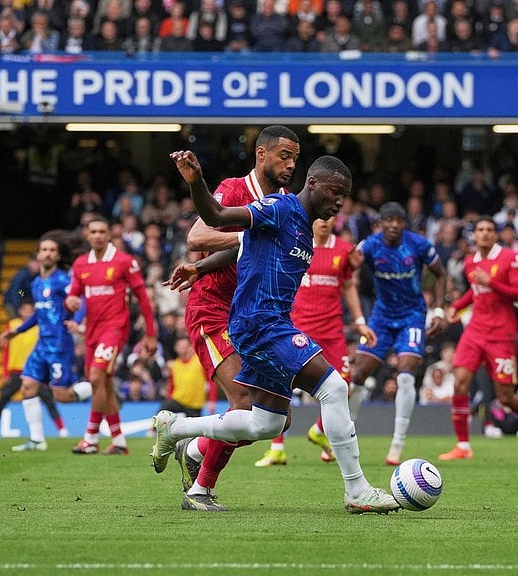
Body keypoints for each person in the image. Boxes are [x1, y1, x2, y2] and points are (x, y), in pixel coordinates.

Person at [153, 151, 400, 515]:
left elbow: (243, 249)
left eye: (344, 196)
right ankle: (357, 489)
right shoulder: (279, 209)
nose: (339, 202)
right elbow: (217, 217)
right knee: (334, 388)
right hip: (260, 324)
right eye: (335, 192)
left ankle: (175, 428)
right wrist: (196, 182)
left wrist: (201, 266)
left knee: (266, 423)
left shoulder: (302, 228)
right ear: (313, 183)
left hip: (265, 325)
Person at [167, 124, 300, 511]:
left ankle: (194, 446)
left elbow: (237, 252)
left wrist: (203, 265)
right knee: (243, 404)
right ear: (262, 154)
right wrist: (252, 236)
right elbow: (197, 236)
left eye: (295, 157)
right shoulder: (233, 189)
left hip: (252, 318)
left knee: (279, 418)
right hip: (213, 311)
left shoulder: (286, 202)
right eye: (284, 156)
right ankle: (200, 491)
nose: (291, 164)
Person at [255, 216, 376, 467]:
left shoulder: (344, 249)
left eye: (330, 216)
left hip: (331, 331)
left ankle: (319, 431)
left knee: (345, 383)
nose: (325, 221)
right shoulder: (297, 244)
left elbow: (348, 286)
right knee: (281, 383)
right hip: (298, 327)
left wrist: (360, 320)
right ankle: (277, 448)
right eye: (320, 216)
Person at [439, 216, 518, 461]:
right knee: (459, 381)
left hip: (501, 334)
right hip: (475, 331)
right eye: (480, 230)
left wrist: (492, 282)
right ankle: (463, 446)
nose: (485, 234)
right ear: (474, 235)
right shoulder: (470, 262)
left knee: (505, 397)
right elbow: (474, 291)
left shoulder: (510, 258)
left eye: (490, 230)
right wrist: (456, 307)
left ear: (496, 234)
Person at [351, 201, 447, 466]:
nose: (394, 225)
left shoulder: (418, 245)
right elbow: (349, 269)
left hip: (412, 316)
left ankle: (397, 444)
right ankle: (341, 437)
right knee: (358, 374)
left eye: (398, 221)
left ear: (404, 224)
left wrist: (438, 309)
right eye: (388, 221)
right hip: (381, 317)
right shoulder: (370, 245)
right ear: (380, 224)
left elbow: (441, 274)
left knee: (406, 374)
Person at [66, 216, 158, 456]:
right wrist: (71, 300)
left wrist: (150, 334)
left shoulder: (124, 261)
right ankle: (118, 440)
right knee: (102, 383)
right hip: (92, 331)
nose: (97, 235)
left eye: (102, 231)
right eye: (93, 231)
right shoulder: (80, 264)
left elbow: (143, 299)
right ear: (87, 234)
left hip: (115, 328)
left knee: (96, 377)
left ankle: (90, 438)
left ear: (109, 235)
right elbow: (74, 293)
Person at [0, 232, 92, 451]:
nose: (47, 253)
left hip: (59, 345)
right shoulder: (36, 283)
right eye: (44, 250)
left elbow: (82, 300)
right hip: (41, 344)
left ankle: (97, 387)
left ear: (58, 256)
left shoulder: (63, 280)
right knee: (27, 386)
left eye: (52, 250)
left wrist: (76, 321)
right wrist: (17, 331)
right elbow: (38, 314)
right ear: (38, 255)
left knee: (62, 396)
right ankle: (37, 440)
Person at [0, 300, 69, 439]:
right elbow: (6, 349)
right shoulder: (12, 325)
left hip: (35, 371)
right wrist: (5, 372)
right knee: (2, 400)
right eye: (25, 309)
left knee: (49, 400)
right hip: (16, 370)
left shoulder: (39, 326)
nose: (28, 311)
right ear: (20, 311)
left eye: (31, 309)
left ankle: (62, 429)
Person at [159, 336, 210, 417]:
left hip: (195, 405)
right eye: (180, 345)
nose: (183, 348)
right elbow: (172, 386)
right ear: (175, 348)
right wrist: (168, 399)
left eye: (185, 345)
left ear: (190, 346)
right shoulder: (174, 365)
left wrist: (212, 401)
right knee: (163, 410)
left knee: (195, 428)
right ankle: (153, 429)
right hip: (178, 400)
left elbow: (211, 381)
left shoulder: (199, 362)